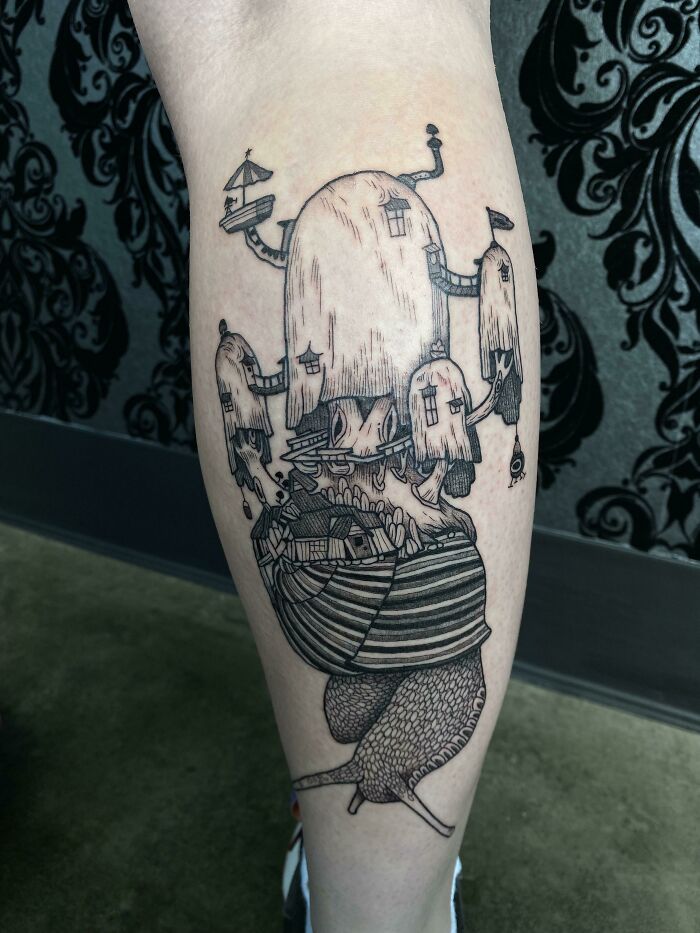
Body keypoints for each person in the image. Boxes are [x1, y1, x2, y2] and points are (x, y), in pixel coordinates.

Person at [127, 2, 539, 930]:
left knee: (316, 25)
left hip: (379, 579)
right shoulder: (338, 449)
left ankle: (371, 915)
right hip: (355, 583)